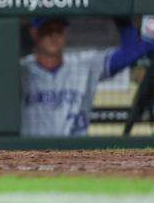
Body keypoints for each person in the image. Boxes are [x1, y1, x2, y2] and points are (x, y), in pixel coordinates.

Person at [21, 17, 154, 137]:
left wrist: (120, 16)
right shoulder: (21, 70)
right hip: (31, 152)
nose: (54, 36)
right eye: (48, 31)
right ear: (34, 33)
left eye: (59, 30)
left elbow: (131, 52)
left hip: (74, 152)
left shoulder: (84, 64)